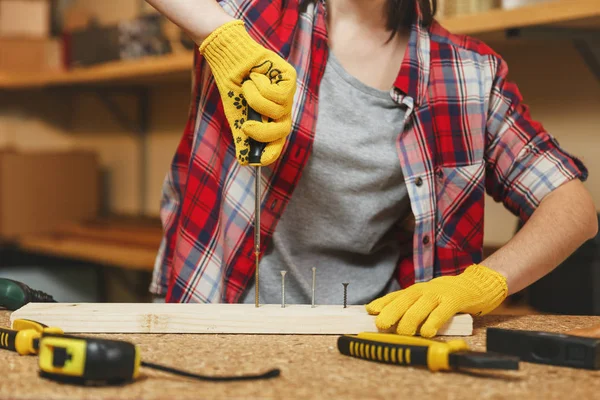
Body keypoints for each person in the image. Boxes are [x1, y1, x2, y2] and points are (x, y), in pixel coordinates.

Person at [145, 0, 597, 337]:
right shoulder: (256, 16)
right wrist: (221, 34)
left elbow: (572, 207)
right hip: (216, 316)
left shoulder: (468, 73)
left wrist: (480, 285)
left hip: (370, 333)